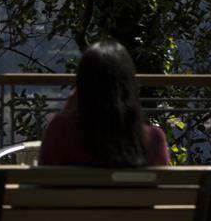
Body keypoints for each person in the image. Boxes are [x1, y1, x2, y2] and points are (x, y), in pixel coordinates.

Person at [38, 39, 170, 166]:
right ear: (129, 85)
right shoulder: (153, 140)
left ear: (82, 85)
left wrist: (68, 110)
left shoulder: (60, 132)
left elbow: (43, 173)